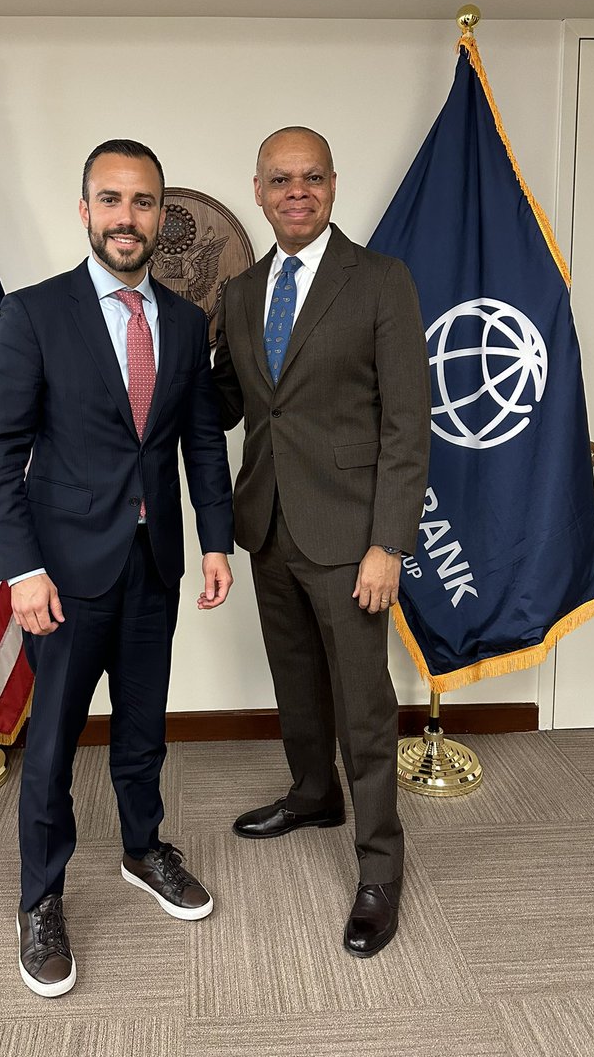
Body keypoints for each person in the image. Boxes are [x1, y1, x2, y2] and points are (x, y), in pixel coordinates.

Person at [0, 139, 234, 998]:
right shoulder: (33, 314)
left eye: (145, 202)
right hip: (60, 575)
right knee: (49, 748)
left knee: (143, 726)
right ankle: (40, 899)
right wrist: (20, 571)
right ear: (85, 211)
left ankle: (141, 848)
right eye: (112, 200)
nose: (129, 218)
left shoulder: (188, 322)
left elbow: (200, 441)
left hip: (152, 563)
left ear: (162, 215)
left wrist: (217, 541)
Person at [212, 126, 430, 958]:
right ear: (260, 190)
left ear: (332, 185)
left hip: (351, 538)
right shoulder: (242, 292)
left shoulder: (380, 281)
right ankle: (312, 794)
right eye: (279, 179)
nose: (295, 191)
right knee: (296, 682)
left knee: (365, 707)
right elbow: (228, 403)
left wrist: (389, 544)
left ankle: (380, 868)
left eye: (310, 177)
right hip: (266, 523)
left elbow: (410, 424)